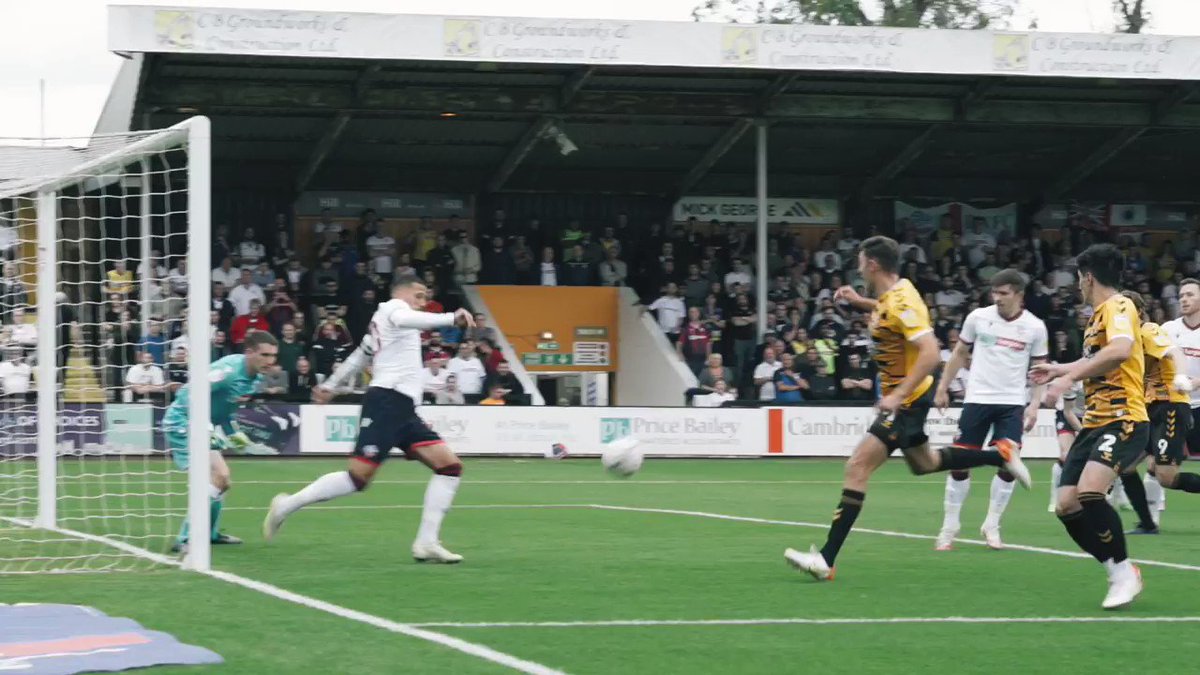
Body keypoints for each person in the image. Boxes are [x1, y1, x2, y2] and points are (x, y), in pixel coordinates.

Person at [784, 236, 1031, 582]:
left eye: (859, 261)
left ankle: (826, 559)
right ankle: (999, 454)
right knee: (924, 463)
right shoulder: (893, 296)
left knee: (857, 466)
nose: (856, 267)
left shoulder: (903, 299)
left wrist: (897, 396)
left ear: (872, 264)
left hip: (910, 402)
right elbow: (890, 314)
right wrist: (860, 302)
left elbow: (930, 353)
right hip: (912, 400)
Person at [263, 275, 475, 563]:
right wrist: (451, 318)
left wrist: (331, 386)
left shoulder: (385, 324)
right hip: (387, 401)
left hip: (403, 408)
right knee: (358, 478)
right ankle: (287, 506)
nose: (424, 302)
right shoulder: (392, 309)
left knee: (449, 467)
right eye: (420, 295)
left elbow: (359, 357)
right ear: (403, 293)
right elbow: (401, 319)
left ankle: (427, 542)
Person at [1032, 243, 1149, 609]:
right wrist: (1059, 369)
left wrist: (1067, 382)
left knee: (1090, 492)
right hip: (1094, 422)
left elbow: (1120, 351)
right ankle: (1117, 569)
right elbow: (1097, 361)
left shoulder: (1118, 306)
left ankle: (1122, 573)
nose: (1079, 285)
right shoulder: (1096, 317)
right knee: (1066, 504)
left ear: (1088, 277)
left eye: (1080, 279)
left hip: (1123, 417)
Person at [932, 269, 1048, 551]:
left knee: (1009, 464)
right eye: (994, 292)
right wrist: (942, 386)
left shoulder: (1035, 327)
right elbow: (960, 353)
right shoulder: (978, 318)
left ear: (1019, 295)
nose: (997, 298)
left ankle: (992, 524)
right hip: (978, 399)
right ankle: (950, 526)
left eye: (1004, 293)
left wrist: (1034, 404)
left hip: (1011, 403)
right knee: (960, 463)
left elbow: (1039, 371)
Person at [161, 331, 279, 552]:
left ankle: (210, 534)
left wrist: (233, 433)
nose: (270, 361)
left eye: (273, 356)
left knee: (222, 481)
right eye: (264, 355)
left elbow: (225, 409)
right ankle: (185, 539)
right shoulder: (227, 371)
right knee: (219, 476)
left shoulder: (257, 378)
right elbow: (188, 393)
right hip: (182, 422)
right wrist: (205, 428)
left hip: (203, 425)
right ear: (249, 352)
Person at [1119, 291, 1198, 534]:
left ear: (1137, 312)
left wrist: (1181, 376)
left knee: (1165, 476)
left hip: (1169, 407)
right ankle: (1147, 523)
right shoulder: (1124, 340)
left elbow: (1175, 353)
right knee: (1125, 466)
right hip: (1146, 409)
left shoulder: (1148, 330)